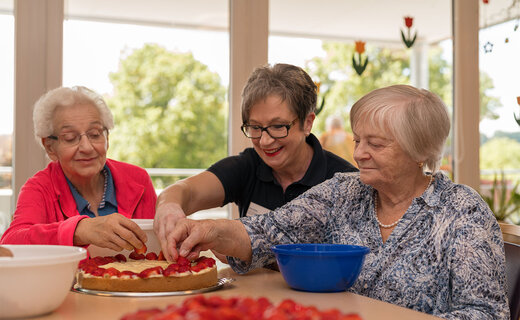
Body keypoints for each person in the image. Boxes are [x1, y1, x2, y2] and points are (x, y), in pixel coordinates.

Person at [164, 85, 509, 319]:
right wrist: (207, 230)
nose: (358, 153)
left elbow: (485, 313)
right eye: (358, 140)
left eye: (376, 144)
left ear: (420, 150)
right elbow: (268, 232)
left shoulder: (461, 212)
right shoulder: (343, 192)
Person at [154, 63, 358, 261]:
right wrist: (168, 206)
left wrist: (240, 243)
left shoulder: (344, 181)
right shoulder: (248, 166)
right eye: (255, 127)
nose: (265, 140)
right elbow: (185, 192)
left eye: (278, 126)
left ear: (307, 123)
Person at [0, 86, 156, 252]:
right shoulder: (39, 188)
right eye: (70, 138)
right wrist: (79, 230)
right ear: (50, 147)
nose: (87, 147)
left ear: (107, 138)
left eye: (95, 134)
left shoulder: (138, 178)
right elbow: (11, 242)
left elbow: (157, 243)